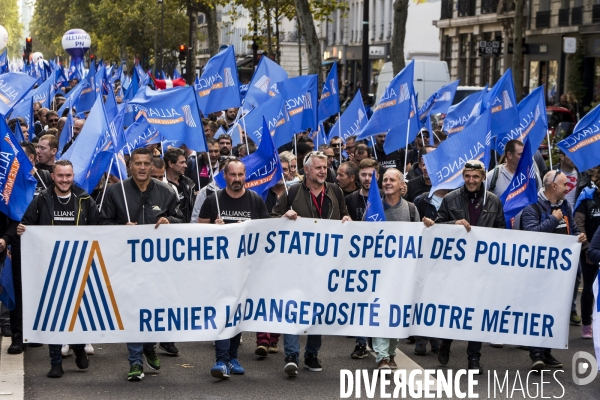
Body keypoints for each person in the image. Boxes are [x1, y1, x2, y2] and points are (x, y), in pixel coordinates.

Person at [99, 148, 184, 381]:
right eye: (138, 163)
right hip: (127, 263)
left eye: (146, 163)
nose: (143, 167)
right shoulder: (116, 192)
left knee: (155, 311)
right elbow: (102, 224)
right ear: (130, 166)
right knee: (133, 311)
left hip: (159, 264)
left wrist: (170, 221)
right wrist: (120, 230)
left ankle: (149, 344)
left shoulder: (167, 192)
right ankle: (135, 361)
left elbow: (183, 220)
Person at [271, 151, 351, 376]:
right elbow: (271, 219)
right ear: (306, 170)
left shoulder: (335, 191)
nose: (323, 171)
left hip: (325, 265)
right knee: (293, 307)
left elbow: (344, 215)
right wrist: (283, 216)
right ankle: (291, 354)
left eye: (325, 167)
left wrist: (346, 220)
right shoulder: (292, 191)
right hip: (295, 264)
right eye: (318, 168)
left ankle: (312, 354)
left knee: (318, 309)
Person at [422, 159, 505, 374]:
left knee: (477, 312)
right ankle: (446, 343)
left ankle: (474, 359)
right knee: (454, 310)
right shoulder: (451, 199)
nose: (471, 180)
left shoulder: (494, 201)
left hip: (482, 268)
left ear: (483, 178)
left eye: (475, 176)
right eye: (467, 176)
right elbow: (438, 227)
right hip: (455, 267)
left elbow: (502, 233)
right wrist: (453, 225)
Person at [18, 160, 97, 377]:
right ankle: (55, 363)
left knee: (78, 314)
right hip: (49, 267)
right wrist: (23, 229)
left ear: (73, 176)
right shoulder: (41, 200)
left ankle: (79, 346)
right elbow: (27, 224)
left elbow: (101, 228)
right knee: (54, 315)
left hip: (80, 266)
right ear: (53, 176)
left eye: (68, 176)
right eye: (60, 176)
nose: (64, 180)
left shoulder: (85, 199)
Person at [198, 158, 269, 379]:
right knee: (222, 312)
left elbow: (265, 232)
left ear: (245, 175)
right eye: (232, 175)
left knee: (238, 315)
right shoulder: (213, 200)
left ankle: (233, 356)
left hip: (244, 270)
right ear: (224, 176)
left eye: (240, 175)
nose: (236, 179)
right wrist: (214, 229)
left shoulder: (255, 200)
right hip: (219, 269)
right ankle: (221, 359)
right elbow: (198, 231)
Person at [521, 170, 586, 370]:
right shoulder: (532, 208)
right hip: (539, 272)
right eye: (565, 185)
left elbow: (572, 230)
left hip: (560, 274)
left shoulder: (565, 205)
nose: (568, 188)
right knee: (538, 311)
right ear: (553, 187)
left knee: (554, 312)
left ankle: (547, 353)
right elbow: (532, 235)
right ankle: (536, 354)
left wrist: (579, 237)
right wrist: (553, 219)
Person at [373, 169, 420, 369]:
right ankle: (382, 356)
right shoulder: (374, 207)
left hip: (403, 273)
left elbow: (418, 240)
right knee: (380, 312)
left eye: (392, 179)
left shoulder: (411, 209)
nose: (388, 183)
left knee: (397, 313)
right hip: (379, 272)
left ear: (402, 185)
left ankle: (391, 353)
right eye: (385, 179)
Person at [574, 168, 600, 339]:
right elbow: (578, 223)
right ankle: (586, 323)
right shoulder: (587, 197)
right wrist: (587, 249)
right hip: (590, 250)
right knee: (589, 289)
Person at [165, 147, 196, 225]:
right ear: (171, 164)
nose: (185, 165)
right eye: (181, 163)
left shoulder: (189, 183)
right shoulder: (162, 185)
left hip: (189, 229)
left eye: (185, 162)